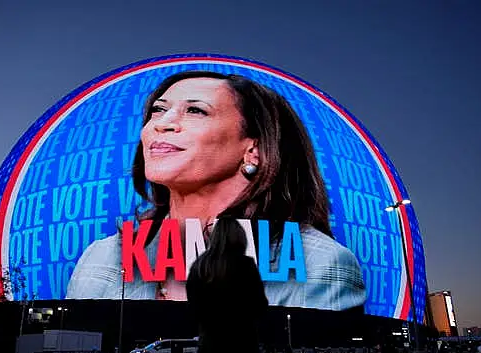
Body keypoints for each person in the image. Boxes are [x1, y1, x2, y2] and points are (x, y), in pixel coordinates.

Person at [66, 70, 366, 311]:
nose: (163, 124)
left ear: (254, 150)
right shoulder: (104, 257)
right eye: (158, 110)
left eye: (196, 111)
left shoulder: (319, 263)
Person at [186, 217, 272, 353]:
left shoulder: (199, 267)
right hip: (242, 352)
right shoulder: (245, 266)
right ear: (238, 237)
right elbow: (259, 307)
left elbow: (194, 312)